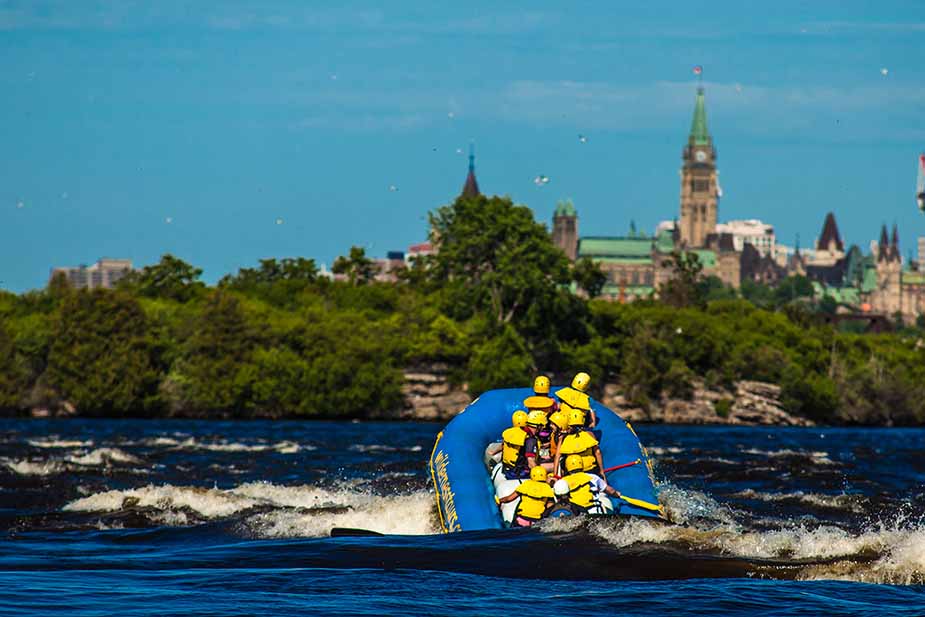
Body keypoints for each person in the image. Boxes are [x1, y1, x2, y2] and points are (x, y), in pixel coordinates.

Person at [554, 409, 604, 476]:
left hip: (571, 472)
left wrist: (555, 474)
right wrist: (601, 471)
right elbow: (597, 453)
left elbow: (557, 457)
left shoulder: (563, 438)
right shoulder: (589, 434)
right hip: (590, 470)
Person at [494, 410, 538, 479]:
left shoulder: (509, 433)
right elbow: (530, 462)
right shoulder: (528, 438)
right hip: (520, 473)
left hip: (507, 469)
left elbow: (502, 446)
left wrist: (493, 452)